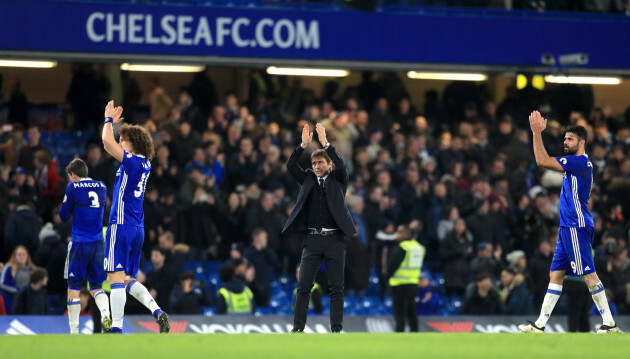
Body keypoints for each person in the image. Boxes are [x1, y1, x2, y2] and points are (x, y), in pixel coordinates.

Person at [519, 111, 618, 333]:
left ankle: (610, 324)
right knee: (555, 275)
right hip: (567, 228)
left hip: (576, 225)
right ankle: (540, 325)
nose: (565, 142)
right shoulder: (575, 164)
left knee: (588, 274)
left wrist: (536, 132)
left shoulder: (579, 162)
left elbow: (541, 160)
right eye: (564, 138)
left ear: (582, 143)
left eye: (570, 139)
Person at [101, 100, 169, 333]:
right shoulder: (145, 164)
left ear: (134, 144)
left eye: (124, 140)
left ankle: (117, 328)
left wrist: (108, 120)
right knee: (127, 278)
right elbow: (111, 145)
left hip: (120, 225)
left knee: (115, 279)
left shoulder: (133, 163)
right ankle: (156, 310)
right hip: (136, 227)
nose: (121, 142)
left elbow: (107, 142)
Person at [282, 123, 356, 333]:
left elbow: (342, 165)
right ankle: (297, 329)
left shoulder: (339, 179)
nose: (315, 166)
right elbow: (290, 165)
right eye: (313, 163)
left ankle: (336, 329)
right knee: (304, 286)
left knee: (336, 288)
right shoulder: (307, 178)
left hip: (335, 240)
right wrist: (302, 146)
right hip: (312, 239)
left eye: (320, 162)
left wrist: (326, 144)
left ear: (329, 164)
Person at [59, 158, 111, 334]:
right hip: (98, 244)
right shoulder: (102, 186)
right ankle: (105, 314)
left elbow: (63, 215)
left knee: (73, 287)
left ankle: (74, 331)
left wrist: (73, 205)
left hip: (79, 243)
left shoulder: (73, 187)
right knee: (97, 286)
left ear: (73, 175)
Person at [386, 225, 425, 332]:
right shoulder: (418, 247)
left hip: (400, 284)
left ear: (405, 234)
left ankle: (399, 335)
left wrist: (386, 277)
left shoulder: (403, 247)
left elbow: (392, 265)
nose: (397, 235)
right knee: (412, 312)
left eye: (399, 232)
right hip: (413, 283)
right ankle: (414, 333)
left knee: (400, 314)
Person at [0, 245, 36, 312]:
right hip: (11, 303)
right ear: (15, 256)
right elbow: (2, 284)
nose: (21, 257)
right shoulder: (8, 268)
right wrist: (18, 290)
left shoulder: (32, 269)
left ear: (27, 256)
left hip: (28, 305)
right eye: (19, 255)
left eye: (24, 255)